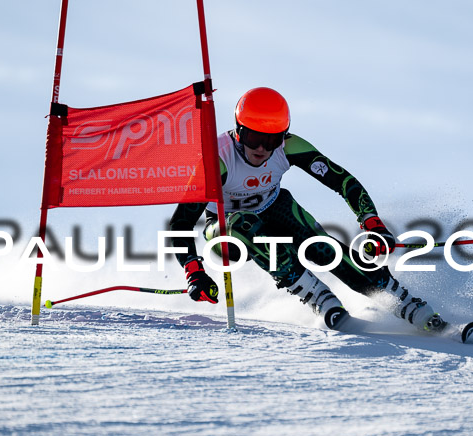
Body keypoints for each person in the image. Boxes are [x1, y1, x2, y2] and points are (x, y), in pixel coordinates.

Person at [169, 87, 446, 332]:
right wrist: (195, 271)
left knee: (321, 247)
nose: (263, 149)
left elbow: (342, 180)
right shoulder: (218, 159)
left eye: (272, 140)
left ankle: (407, 304)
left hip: (273, 207)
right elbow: (181, 222)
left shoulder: (289, 147)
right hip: (226, 230)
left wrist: (372, 223)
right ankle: (319, 299)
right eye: (254, 139)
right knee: (244, 223)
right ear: (239, 130)